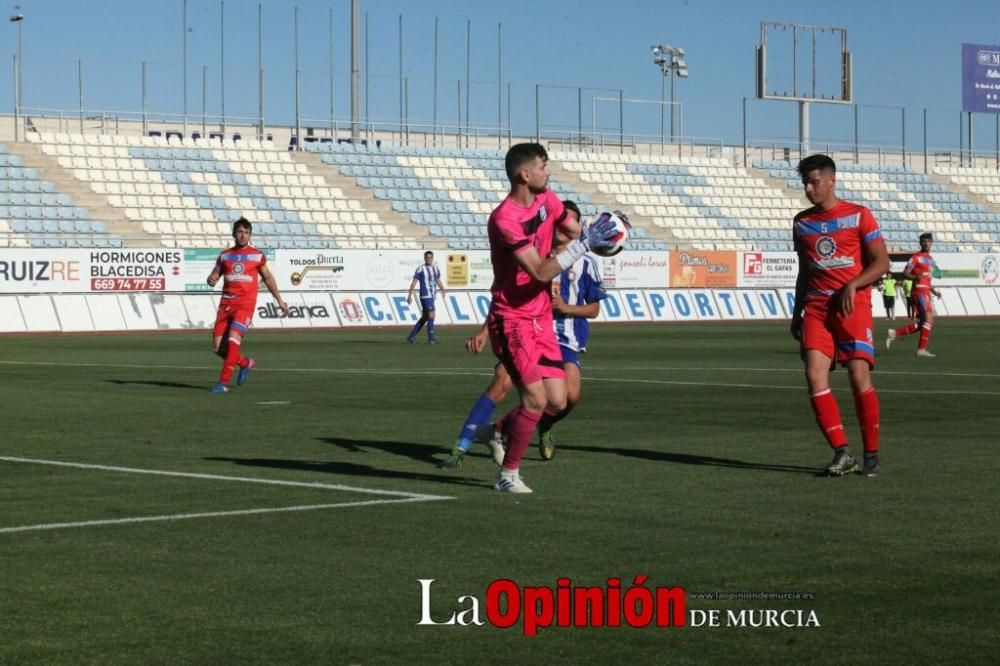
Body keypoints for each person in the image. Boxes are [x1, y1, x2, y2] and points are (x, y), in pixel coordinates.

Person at [482, 142, 618, 493]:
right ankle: (508, 475)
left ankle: (496, 429)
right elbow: (541, 272)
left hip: (541, 316)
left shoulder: (548, 198)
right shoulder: (505, 220)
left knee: (557, 400)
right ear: (524, 175)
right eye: (543, 166)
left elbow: (573, 231)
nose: (549, 172)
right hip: (511, 318)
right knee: (536, 399)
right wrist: (582, 245)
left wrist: (603, 237)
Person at [438, 201, 607, 469]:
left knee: (568, 397)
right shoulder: (534, 254)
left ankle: (540, 424)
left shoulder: (586, 263)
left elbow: (595, 309)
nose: (564, 229)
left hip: (563, 339)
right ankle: (461, 447)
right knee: (500, 383)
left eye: (570, 223)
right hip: (522, 328)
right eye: (562, 223)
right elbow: (508, 295)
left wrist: (565, 308)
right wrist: (484, 331)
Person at [790, 155, 890, 478]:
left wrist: (853, 284)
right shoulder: (801, 223)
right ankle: (842, 453)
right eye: (805, 182)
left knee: (858, 375)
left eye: (814, 182)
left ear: (832, 181)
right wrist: (796, 312)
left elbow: (881, 262)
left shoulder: (859, 215)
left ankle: (871, 454)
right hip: (817, 309)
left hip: (853, 305)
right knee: (814, 375)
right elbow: (805, 270)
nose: (808, 188)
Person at [206, 217, 290, 394]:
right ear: (234, 234)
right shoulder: (225, 255)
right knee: (217, 348)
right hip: (225, 305)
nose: (243, 235)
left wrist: (280, 301)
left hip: (245, 305)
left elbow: (267, 278)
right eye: (240, 232)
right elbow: (214, 274)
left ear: (250, 235)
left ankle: (222, 383)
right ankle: (245, 363)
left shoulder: (257, 255)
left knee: (233, 339)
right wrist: (211, 279)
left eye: (246, 232)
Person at [886, 233, 942, 357]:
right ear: (920, 243)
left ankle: (895, 333)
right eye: (924, 241)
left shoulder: (930, 259)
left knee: (924, 322)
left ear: (932, 243)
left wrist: (934, 291)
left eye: (928, 241)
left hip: (926, 291)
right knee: (929, 319)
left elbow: (927, 279)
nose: (926, 243)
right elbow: (905, 272)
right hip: (919, 291)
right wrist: (915, 276)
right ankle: (921, 350)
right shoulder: (916, 257)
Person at [406, 250, 445, 344]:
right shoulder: (420, 269)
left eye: (430, 257)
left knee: (425, 317)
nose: (429, 259)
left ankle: (411, 336)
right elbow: (414, 282)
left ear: (433, 258)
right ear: (424, 258)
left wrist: (443, 289)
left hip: (432, 296)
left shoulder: (436, 268)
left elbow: (438, 280)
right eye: (427, 257)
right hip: (425, 295)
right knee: (432, 314)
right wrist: (410, 295)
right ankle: (431, 338)